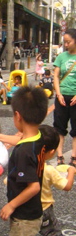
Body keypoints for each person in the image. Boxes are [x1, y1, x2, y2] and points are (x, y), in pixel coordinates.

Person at [0, 86, 48, 236]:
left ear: (18, 116)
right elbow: (21, 140)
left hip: (23, 216)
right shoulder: (38, 137)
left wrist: (11, 205)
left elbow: (33, 187)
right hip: (33, 210)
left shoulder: (23, 152)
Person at [38, 124, 76, 236]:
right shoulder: (49, 170)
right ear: (52, 151)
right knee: (55, 235)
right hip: (44, 209)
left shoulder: (24, 166)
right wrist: (71, 171)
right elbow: (66, 186)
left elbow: (8, 181)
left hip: (24, 210)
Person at [53, 28, 76, 167]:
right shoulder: (61, 57)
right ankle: (60, 154)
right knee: (59, 128)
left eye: (68, 42)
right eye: (64, 42)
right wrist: (59, 93)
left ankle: (74, 156)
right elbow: (56, 76)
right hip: (62, 97)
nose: (66, 45)